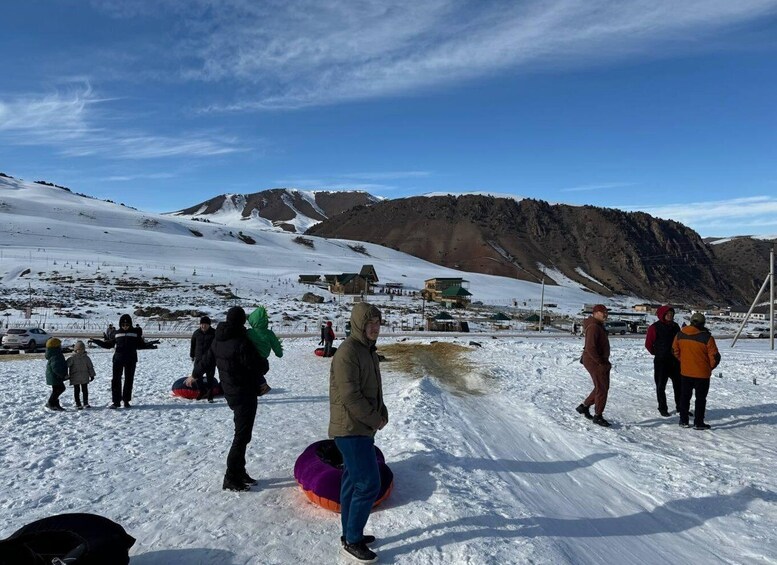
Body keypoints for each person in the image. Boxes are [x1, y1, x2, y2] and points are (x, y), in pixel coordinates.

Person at [329, 302, 388, 563]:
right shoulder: (348, 352)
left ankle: (350, 533)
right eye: (370, 323)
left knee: (353, 481)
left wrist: (382, 410)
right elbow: (351, 396)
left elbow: (373, 388)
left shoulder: (368, 350)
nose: (375, 328)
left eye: (377, 323)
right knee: (368, 484)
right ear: (359, 325)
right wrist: (375, 419)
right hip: (350, 428)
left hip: (360, 427)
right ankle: (352, 540)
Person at [199, 306, 265, 491]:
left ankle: (239, 471)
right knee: (241, 436)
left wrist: (195, 374)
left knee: (243, 435)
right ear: (242, 321)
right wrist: (265, 362)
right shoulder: (241, 342)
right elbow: (257, 366)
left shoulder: (218, 339)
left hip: (231, 391)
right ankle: (231, 477)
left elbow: (206, 360)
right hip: (244, 393)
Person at [672, 312, 721, 430]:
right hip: (702, 374)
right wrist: (709, 367)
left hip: (686, 372)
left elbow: (675, 351)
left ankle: (683, 420)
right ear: (703, 323)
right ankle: (698, 422)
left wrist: (684, 362)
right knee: (700, 399)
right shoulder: (707, 337)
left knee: (684, 397)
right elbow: (715, 357)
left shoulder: (680, 334)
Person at [90, 313, 146, 409]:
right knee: (116, 380)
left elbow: (141, 345)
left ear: (130, 324)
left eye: (127, 325)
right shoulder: (116, 333)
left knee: (129, 380)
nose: (125, 327)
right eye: (123, 325)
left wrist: (151, 344)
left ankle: (126, 400)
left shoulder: (135, 333)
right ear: (120, 324)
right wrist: (96, 341)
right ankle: (116, 402)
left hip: (131, 359)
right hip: (118, 359)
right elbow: (108, 345)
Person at [576, 304, 612, 427]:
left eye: (606, 312)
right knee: (602, 388)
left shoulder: (597, 326)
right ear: (595, 313)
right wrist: (601, 362)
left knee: (601, 386)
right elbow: (591, 348)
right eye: (603, 312)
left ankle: (584, 407)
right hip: (595, 361)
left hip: (597, 360)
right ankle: (598, 416)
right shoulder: (594, 327)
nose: (606, 315)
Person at [644, 305, 682, 417]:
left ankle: (681, 407)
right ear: (662, 315)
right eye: (667, 314)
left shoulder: (676, 326)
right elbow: (648, 344)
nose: (670, 316)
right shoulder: (654, 327)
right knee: (661, 386)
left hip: (675, 361)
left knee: (679, 385)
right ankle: (662, 407)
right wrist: (657, 352)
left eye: (671, 314)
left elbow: (680, 341)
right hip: (661, 361)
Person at [246, 306, 283, 396]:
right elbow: (276, 345)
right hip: (263, 359)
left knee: (253, 373)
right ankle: (261, 386)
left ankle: (262, 386)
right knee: (257, 373)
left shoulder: (249, 332)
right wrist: (279, 353)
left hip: (252, 358)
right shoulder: (269, 333)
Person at [187, 316, 217, 402]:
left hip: (210, 360)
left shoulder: (214, 333)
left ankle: (210, 395)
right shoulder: (196, 333)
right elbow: (193, 345)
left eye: (205, 324)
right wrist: (192, 355)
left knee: (210, 377)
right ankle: (202, 391)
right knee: (197, 377)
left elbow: (217, 346)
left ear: (209, 325)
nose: (203, 326)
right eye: (202, 324)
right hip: (199, 359)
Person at [67, 340, 95, 409]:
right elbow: (66, 366)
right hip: (75, 377)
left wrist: (92, 375)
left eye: (82, 349)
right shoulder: (72, 358)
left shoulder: (86, 358)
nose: (81, 351)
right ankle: (78, 403)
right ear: (76, 349)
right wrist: (66, 375)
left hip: (84, 377)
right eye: (79, 349)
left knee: (85, 390)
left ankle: (86, 402)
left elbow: (90, 367)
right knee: (77, 391)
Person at [45, 337, 68, 411]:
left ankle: (55, 403)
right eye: (59, 345)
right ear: (56, 346)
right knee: (60, 388)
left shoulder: (54, 353)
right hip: (55, 376)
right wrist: (63, 375)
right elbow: (56, 367)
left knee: (56, 389)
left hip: (54, 376)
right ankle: (50, 402)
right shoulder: (56, 355)